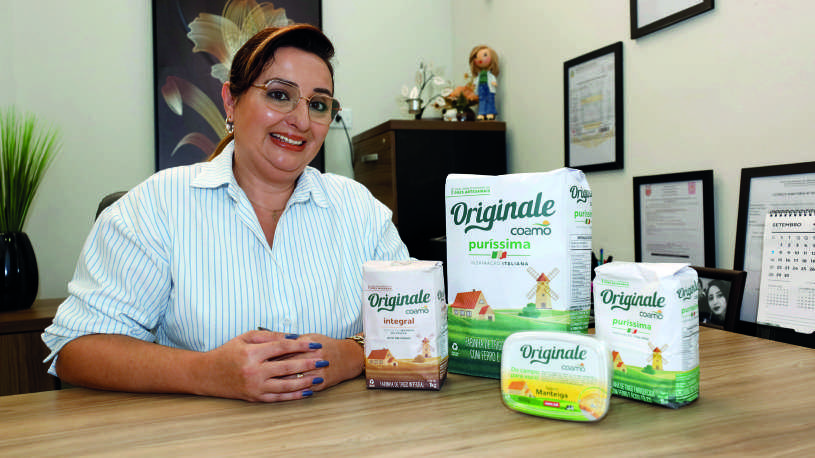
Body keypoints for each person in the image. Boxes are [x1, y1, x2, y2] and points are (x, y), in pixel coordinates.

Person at [42, 24, 409, 402]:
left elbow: (419, 322)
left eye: (318, 104)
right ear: (231, 102)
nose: (301, 121)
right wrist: (207, 373)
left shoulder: (359, 209)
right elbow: (76, 349)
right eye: (280, 95)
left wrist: (351, 355)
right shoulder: (156, 206)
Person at [468, 45, 499, 121]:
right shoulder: (479, 75)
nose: (480, 59)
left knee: (490, 100)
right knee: (482, 100)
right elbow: (476, 80)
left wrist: (494, 82)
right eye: (476, 57)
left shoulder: (489, 75)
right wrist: (473, 85)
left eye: (485, 55)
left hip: (489, 88)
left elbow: (492, 78)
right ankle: (481, 113)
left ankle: (490, 112)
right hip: (481, 88)